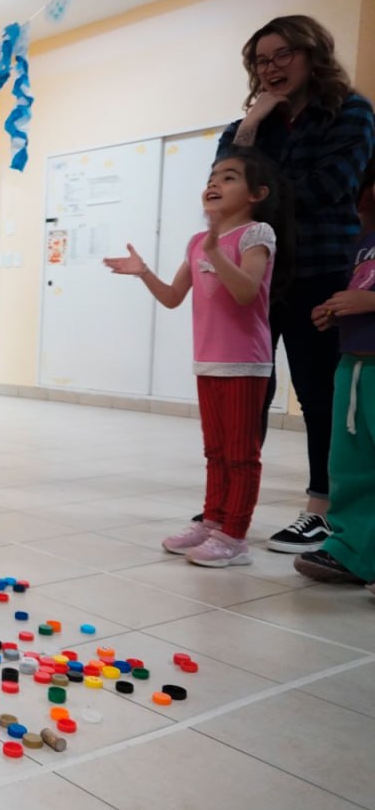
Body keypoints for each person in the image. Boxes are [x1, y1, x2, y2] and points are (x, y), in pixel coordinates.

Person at [217, 15, 375, 553]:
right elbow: (222, 189)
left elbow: (331, 186)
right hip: (257, 276)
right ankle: (234, 503)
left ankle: (322, 508)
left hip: (322, 269)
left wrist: (255, 193)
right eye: (261, 60)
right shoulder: (252, 126)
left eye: (283, 54)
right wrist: (248, 130)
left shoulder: (350, 112)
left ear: (312, 55)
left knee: (318, 393)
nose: (272, 67)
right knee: (247, 393)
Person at [106, 148, 288, 567]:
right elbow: (172, 298)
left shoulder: (257, 234)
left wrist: (217, 250)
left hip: (245, 361)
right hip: (207, 361)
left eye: (228, 177)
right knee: (216, 451)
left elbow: (246, 294)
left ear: (258, 193)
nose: (214, 184)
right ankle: (212, 521)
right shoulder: (196, 243)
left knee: (242, 454)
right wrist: (143, 272)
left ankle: (235, 537)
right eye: (212, 177)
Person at [295, 160, 375, 592]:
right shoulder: (363, 243)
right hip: (354, 367)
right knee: (350, 464)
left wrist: (368, 304)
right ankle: (351, 550)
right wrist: (335, 312)